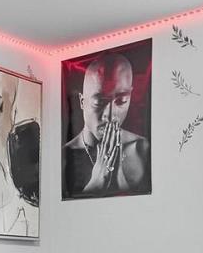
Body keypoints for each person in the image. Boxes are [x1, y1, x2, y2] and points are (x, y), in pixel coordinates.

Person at [63, 51, 150, 196]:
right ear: (82, 102)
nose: (110, 116)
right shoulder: (64, 158)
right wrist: (96, 183)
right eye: (99, 102)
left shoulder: (142, 150)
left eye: (121, 101)